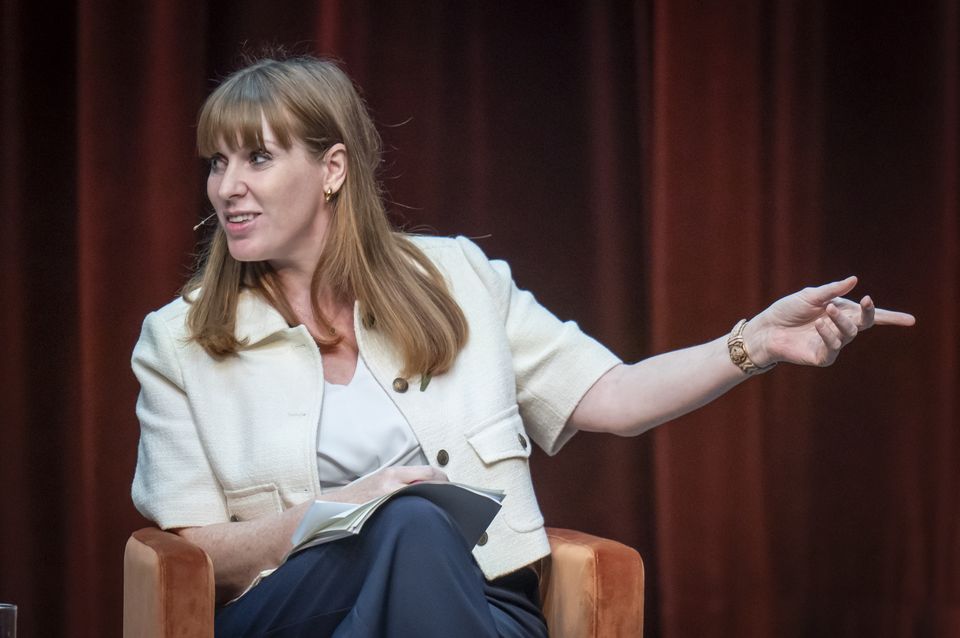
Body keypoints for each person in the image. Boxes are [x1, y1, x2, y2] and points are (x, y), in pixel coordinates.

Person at [130, 55, 915, 637]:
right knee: (405, 521)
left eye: (257, 158)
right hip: (296, 611)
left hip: (476, 604)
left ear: (333, 169)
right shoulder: (178, 341)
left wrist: (756, 343)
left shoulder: (459, 277)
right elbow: (197, 552)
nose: (227, 185)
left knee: (416, 535)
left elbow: (615, 397)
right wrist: (328, 514)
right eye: (218, 162)